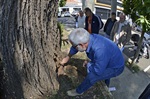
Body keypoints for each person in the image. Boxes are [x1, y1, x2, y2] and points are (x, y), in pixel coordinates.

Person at [60, 28, 125, 96]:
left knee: (92, 76)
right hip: (108, 59)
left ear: (82, 45)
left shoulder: (99, 50)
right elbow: (75, 47)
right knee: (100, 70)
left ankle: (79, 91)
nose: (73, 48)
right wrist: (68, 57)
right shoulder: (89, 38)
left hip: (116, 67)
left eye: (74, 46)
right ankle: (106, 85)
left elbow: (97, 71)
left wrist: (89, 65)